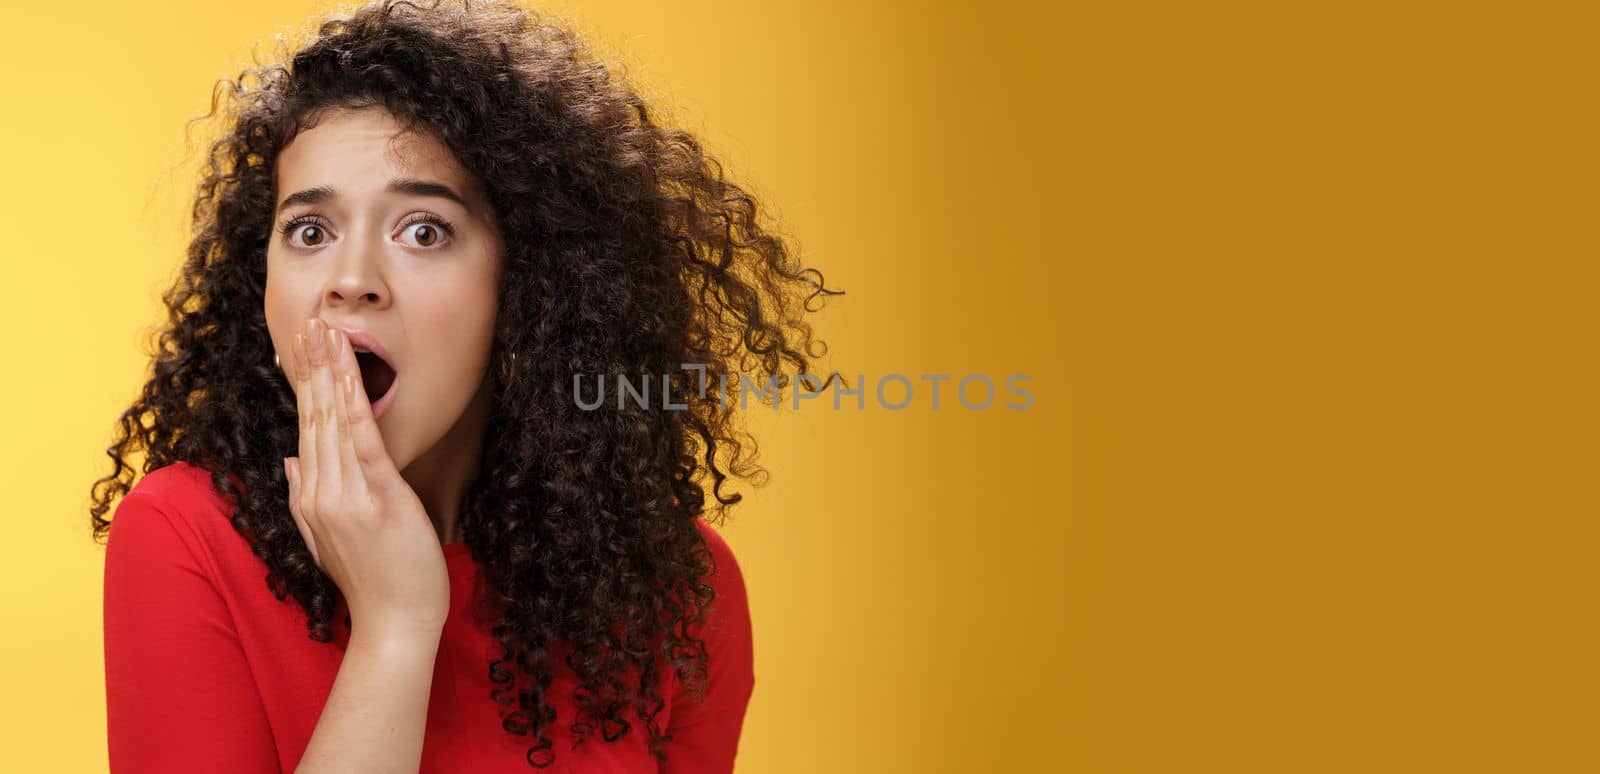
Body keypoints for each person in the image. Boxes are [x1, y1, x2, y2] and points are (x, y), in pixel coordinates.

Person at [87, 1, 841, 771]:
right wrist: (395, 629)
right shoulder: (186, 533)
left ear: (528, 286)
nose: (351, 281)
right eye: (310, 232)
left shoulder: (680, 590)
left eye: (423, 230)